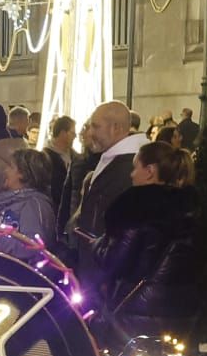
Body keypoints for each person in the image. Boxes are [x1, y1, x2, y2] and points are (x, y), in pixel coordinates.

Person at [91, 141, 196, 338]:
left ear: (149, 171)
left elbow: (117, 262)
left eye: (135, 167)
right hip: (182, 310)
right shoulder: (191, 207)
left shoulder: (135, 207)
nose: (131, 174)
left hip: (136, 310)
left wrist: (98, 245)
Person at [69, 101, 141, 267]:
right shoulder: (115, 160)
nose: (90, 133)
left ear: (115, 128)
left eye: (95, 126)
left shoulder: (128, 166)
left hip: (105, 269)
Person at [0, 148, 59, 260]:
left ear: (22, 174)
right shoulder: (10, 201)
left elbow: (33, 247)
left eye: (11, 167)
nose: (6, 171)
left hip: (12, 275)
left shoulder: (33, 205)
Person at [43, 115, 76, 219]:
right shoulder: (45, 157)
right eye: (72, 132)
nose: (75, 136)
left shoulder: (75, 156)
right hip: (53, 211)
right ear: (63, 133)